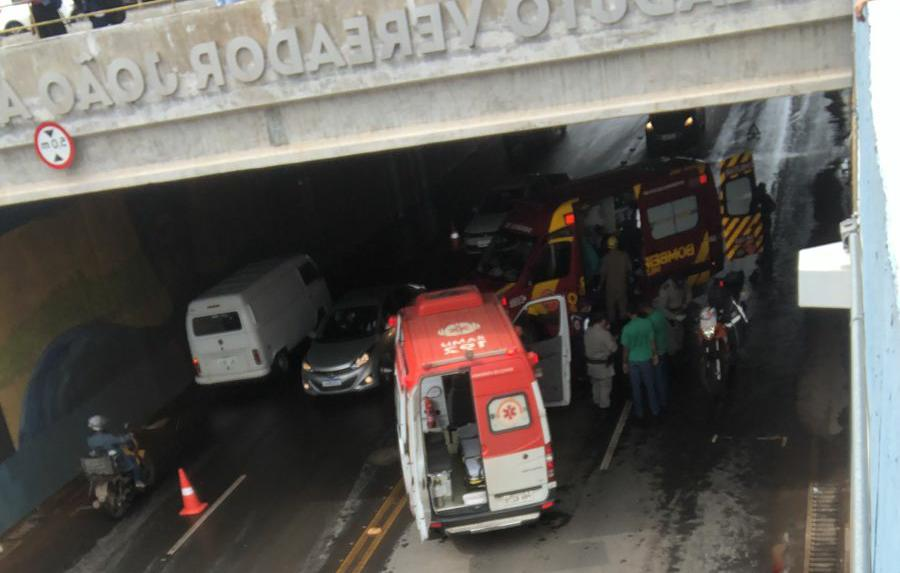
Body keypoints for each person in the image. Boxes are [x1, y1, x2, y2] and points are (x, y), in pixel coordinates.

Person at [621, 305, 659, 423]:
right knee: (650, 385)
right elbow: (652, 342)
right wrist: (654, 355)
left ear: (628, 314)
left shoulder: (627, 328)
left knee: (636, 388)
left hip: (633, 360)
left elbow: (626, 349)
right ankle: (655, 410)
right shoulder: (647, 323)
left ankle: (639, 412)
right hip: (646, 358)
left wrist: (624, 363)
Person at [86, 415, 144, 488]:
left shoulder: (90, 440)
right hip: (117, 461)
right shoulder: (107, 437)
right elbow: (121, 440)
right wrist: (129, 435)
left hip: (104, 462)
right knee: (135, 461)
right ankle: (138, 481)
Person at [583, 312, 618, 414]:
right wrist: (613, 339)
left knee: (595, 385)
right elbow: (614, 349)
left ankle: (596, 404)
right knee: (605, 387)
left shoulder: (588, 331)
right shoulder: (604, 333)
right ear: (602, 321)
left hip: (591, 365)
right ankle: (604, 408)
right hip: (602, 366)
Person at [642, 300, 670, 412]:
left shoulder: (650, 320)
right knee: (663, 376)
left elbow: (650, 338)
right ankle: (665, 399)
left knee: (658, 378)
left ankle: (661, 401)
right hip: (664, 348)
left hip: (657, 351)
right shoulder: (659, 314)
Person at [598, 235, 632, 326]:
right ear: (617, 244)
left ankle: (613, 328)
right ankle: (624, 326)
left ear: (608, 246)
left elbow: (603, 275)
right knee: (623, 308)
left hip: (610, 288)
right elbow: (629, 270)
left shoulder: (606, 259)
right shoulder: (624, 255)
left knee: (611, 310)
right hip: (622, 286)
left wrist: (600, 286)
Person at [654, 276, 689, 355]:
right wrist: (674, 317)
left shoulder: (683, 283)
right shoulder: (665, 288)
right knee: (672, 338)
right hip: (670, 315)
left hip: (680, 310)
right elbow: (662, 308)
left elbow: (688, 293)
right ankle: (673, 355)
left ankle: (681, 351)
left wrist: (686, 304)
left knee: (681, 333)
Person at [751, 182, 776, 279]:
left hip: (755, 225)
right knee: (767, 244)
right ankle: (766, 262)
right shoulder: (765, 197)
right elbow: (773, 207)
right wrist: (765, 211)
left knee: (758, 243)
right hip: (764, 224)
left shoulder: (754, 197)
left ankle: (760, 259)